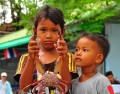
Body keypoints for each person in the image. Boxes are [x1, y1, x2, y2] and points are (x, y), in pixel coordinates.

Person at [14, 5, 78, 94]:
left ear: (62, 32)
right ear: (35, 31)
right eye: (43, 30)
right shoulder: (26, 58)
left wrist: (63, 58)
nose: (48, 36)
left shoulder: (68, 57)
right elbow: (24, 87)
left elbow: (66, 86)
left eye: (54, 30)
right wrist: (31, 59)